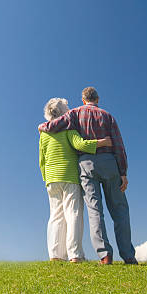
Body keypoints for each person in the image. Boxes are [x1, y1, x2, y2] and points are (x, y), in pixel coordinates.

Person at [39, 87, 137, 265]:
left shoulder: (75, 114)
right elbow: (119, 146)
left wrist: (42, 126)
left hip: (85, 166)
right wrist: (123, 172)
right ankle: (128, 255)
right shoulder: (108, 116)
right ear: (98, 99)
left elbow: (54, 126)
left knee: (94, 212)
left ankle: (105, 255)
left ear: (83, 100)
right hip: (109, 163)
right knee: (120, 209)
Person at [39, 97, 112, 263]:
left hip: (52, 179)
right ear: (64, 113)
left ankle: (56, 255)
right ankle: (75, 254)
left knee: (56, 215)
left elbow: (41, 160)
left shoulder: (44, 134)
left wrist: (46, 178)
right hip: (69, 176)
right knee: (73, 214)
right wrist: (102, 143)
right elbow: (80, 145)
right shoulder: (69, 129)